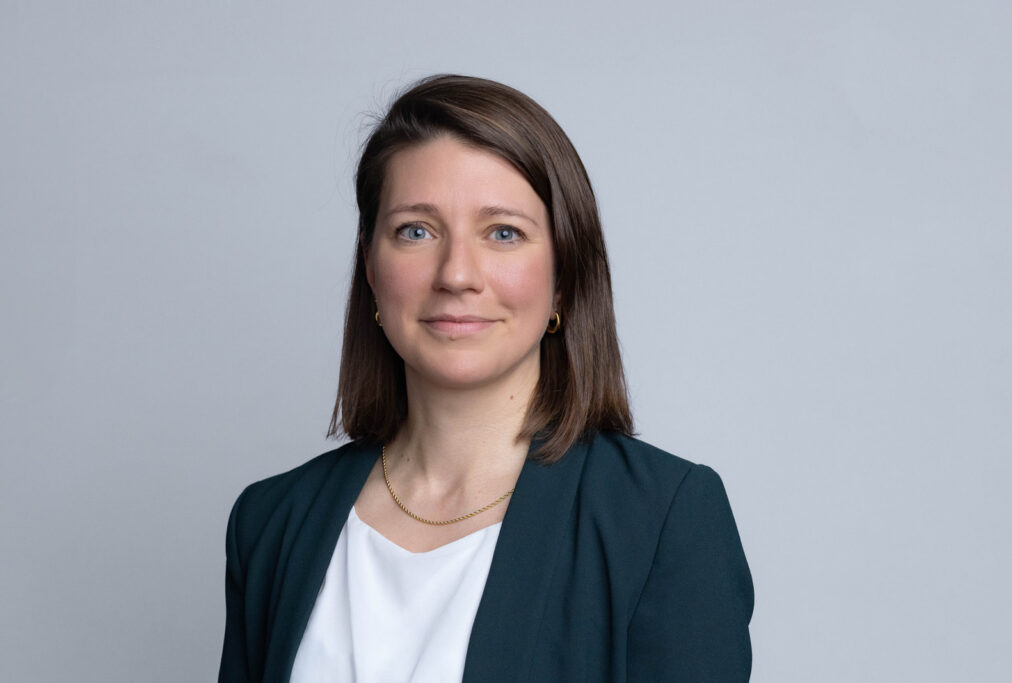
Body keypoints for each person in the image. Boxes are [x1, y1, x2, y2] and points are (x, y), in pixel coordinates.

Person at [218, 74, 753, 683]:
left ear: (563, 276)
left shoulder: (660, 517)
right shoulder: (271, 522)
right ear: (370, 266)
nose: (456, 274)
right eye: (415, 231)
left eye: (503, 233)